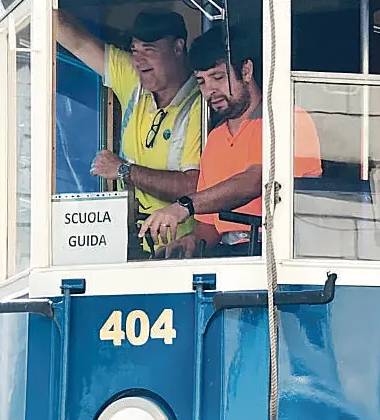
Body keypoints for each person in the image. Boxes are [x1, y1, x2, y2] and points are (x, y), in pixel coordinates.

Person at [138, 25, 322, 258]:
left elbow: (254, 181)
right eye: (201, 81)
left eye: (217, 77)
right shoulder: (215, 138)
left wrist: (183, 206)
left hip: (282, 256)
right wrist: (192, 241)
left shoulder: (289, 120)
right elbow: (210, 226)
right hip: (232, 259)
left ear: (246, 71)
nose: (209, 90)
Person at [55, 8, 203, 244]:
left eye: (149, 50)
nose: (138, 60)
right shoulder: (134, 80)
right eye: (135, 50)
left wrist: (126, 170)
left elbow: (193, 186)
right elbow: (76, 41)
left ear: (178, 47)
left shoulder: (200, 103)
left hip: (182, 249)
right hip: (138, 244)